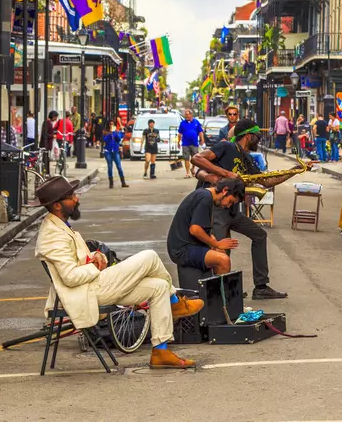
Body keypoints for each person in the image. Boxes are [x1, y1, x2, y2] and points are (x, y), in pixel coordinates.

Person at [33, 176, 202, 369]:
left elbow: (77, 260)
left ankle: (161, 351)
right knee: (150, 257)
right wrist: (95, 266)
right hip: (87, 292)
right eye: (71, 196)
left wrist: (96, 256)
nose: (77, 198)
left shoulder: (60, 226)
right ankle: (175, 303)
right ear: (57, 206)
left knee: (159, 287)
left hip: (93, 285)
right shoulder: (51, 235)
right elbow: (70, 277)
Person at [190, 119, 288, 299]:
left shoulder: (247, 159)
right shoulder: (226, 147)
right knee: (220, 250)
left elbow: (265, 181)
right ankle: (222, 292)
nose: (258, 140)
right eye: (257, 137)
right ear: (249, 136)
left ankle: (261, 287)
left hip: (233, 211)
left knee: (259, 235)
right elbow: (197, 159)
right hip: (216, 209)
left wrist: (293, 172)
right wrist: (225, 174)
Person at [166, 177, 244, 277]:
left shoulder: (205, 195)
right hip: (182, 249)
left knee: (221, 253)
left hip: (188, 245)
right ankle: (220, 292)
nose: (228, 206)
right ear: (225, 191)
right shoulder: (205, 198)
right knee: (223, 260)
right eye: (230, 201)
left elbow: (202, 226)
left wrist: (213, 241)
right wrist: (216, 244)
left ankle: (214, 288)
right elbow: (195, 229)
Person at [177, 109, 204, 179]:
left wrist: (202, 139)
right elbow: (179, 133)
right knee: (186, 158)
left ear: (191, 115)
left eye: (187, 114)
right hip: (185, 143)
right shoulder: (182, 123)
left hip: (194, 143)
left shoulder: (196, 122)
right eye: (185, 114)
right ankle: (187, 173)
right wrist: (178, 142)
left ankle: (192, 168)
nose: (186, 116)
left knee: (194, 158)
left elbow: (200, 132)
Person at [103, 121, 128, 189]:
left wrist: (115, 133)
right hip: (108, 151)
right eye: (110, 124)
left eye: (113, 124)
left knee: (119, 166)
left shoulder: (117, 132)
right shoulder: (105, 132)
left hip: (115, 151)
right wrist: (110, 133)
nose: (111, 125)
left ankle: (123, 182)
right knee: (110, 166)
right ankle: (111, 183)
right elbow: (105, 140)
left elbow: (119, 139)